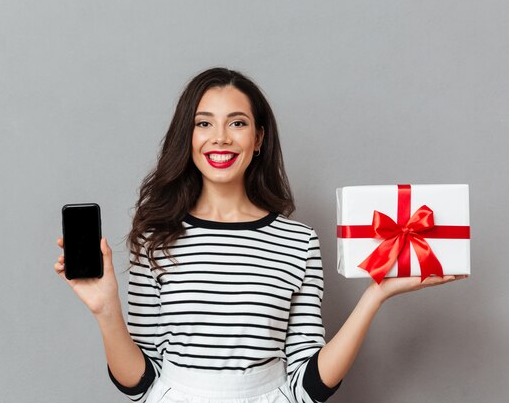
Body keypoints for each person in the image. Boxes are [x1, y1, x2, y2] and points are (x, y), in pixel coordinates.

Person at [54, 67, 465, 403]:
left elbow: (308, 385)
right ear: (189, 137)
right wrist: (106, 310)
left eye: (237, 122)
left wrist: (376, 296)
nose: (220, 137)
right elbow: (139, 383)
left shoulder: (298, 242)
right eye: (204, 123)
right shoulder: (154, 237)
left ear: (258, 139)